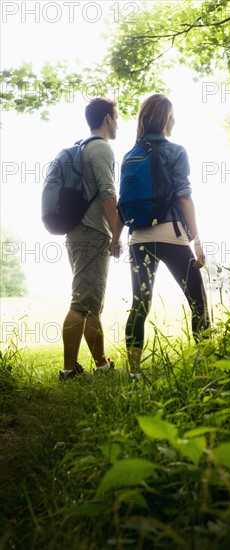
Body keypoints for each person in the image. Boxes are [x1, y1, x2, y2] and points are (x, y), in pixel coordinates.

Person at [110, 93, 210, 380]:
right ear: (168, 118)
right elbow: (185, 197)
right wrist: (197, 239)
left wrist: (115, 239)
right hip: (173, 237)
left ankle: (133, 371)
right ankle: (204, 365)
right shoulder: (176, 151)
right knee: (197, 301)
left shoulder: (131, 155)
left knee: (139, 303)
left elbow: (122, 203)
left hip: (139, 239)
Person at [59, 97, 120, 380]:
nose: (117, 121)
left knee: (91, 301)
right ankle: (68, 370)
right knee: (81, 302)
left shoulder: (82, 147)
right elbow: (108, 194)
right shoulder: (101, 149)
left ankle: (101, 364)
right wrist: (117, 233)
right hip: (92, 232)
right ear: (108, 118)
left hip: (78, 231)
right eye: (116, 116)